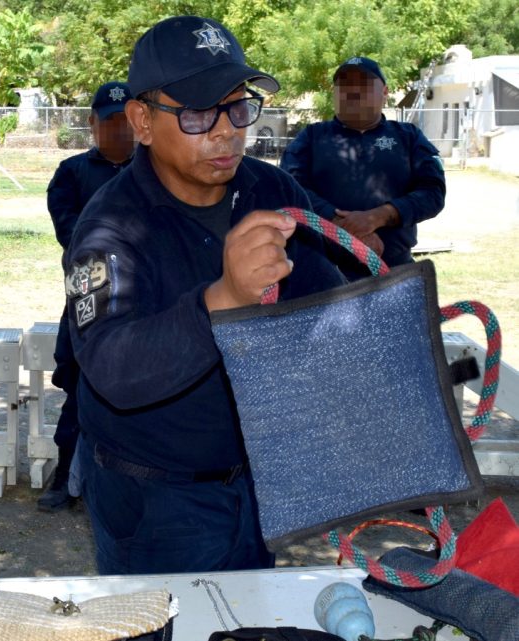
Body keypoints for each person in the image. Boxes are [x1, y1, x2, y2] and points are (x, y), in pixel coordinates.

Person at [64, 16, 346, 575]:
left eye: (237, 107)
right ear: (141, 121)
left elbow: (327, 304)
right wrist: (224, 297)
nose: (226, 131)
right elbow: (113, 371)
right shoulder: (109, 228)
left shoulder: (270, 190)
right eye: (196, 113)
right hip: (155, 498)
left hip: (258, 476)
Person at [40, 81, 135, 512]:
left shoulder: (157, 174)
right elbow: (75, 237)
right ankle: (64, 478)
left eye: (125, 121)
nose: (118, 130)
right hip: (88, 301)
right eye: (108, 121)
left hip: (147, 304)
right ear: (92, 124)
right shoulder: (71, 174)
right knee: (77, 392)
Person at [281, 56, 446, 274]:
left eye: (364, 84)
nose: (353, 91)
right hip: (323, 274)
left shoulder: (408, 137)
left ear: (385, 92)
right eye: (345, 85)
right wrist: (340, 223)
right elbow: (289, 187)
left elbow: (432, 192)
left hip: (393, 271)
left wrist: (378, 216)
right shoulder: (312, 137)